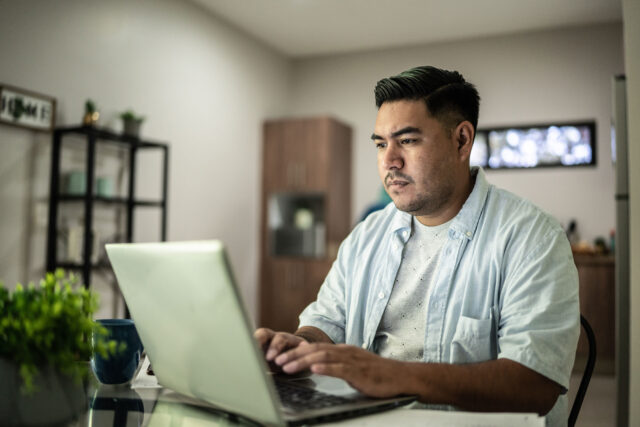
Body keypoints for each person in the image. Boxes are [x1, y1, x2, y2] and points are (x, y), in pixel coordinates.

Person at [255, 66, 579, 426]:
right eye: (381, 144)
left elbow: (535, 384)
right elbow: (327, 321)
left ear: (461, 140)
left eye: (407, 141)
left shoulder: (532, 237)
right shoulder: (367, 235)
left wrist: (393, 375)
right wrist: (301, 347)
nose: (389, 161)